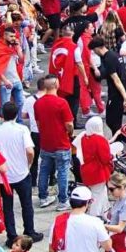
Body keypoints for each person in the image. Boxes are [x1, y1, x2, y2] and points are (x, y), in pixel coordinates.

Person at [0, 101, 41, 247]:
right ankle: (29, 231)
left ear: (2, 115)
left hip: (3, 177)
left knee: (7, 207)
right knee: (26, 204)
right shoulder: (22, 129)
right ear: (16, 114)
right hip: (21, 172)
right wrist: (28, 164)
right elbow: (30, 151)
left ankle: (11, 235)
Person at [34, 74, 73, 211]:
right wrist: (70, 132)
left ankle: (43, 197)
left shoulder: (38, 103)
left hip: (46, 143)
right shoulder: (62, 103)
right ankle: (63, 201)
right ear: (57, 85)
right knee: (62, 172)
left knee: (44, 170)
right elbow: (69, 124)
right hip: (61, 143)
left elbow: (38, 123)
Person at [75, 116, 113, 217]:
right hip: (98, 172)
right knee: (97, 196)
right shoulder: (100, 139)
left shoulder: (83, 137)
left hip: (86, 170)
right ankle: (95, 216)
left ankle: (105, 213)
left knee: (102, 193)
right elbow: (106, 158)